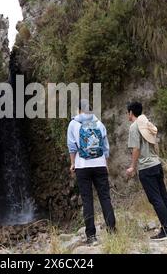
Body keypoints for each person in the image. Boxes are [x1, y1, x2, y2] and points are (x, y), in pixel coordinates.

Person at [125, 101, 167, 241]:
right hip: (156, 164)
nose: (127, 115)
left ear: (131, 112)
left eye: (127, 112)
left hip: (146, 168)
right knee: (163, 196)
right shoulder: (146, 123)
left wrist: (133, 166)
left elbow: (136, 149)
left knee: (155, 199)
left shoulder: (134, 127)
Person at [67, 99, 116, 244]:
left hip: (82, 166)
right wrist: (105, 164)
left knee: (87, 200)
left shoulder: (73, 124)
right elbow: (106, 147)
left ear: (79, 110)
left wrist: (72, 163)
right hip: (100, 165)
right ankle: (112, 231)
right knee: (105, 198)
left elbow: (72, 147)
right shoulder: (99, 123)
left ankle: (91, 236)